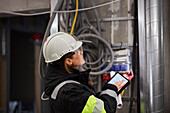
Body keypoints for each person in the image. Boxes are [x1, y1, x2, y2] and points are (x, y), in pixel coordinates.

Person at [42, 32, 123, 113]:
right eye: (77, 51)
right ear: (69, 61)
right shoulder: (70, 92)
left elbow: (86, 104)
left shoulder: (63, 84)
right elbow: (105, 110)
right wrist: (111, 89)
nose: (81, 52)